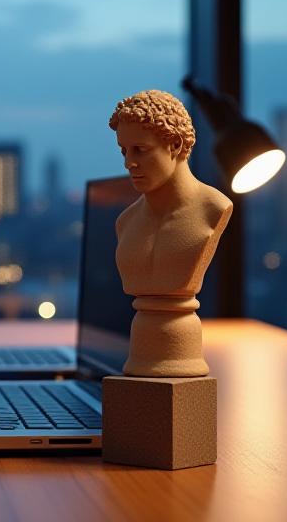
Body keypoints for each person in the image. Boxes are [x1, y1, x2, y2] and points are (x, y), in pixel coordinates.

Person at [108, 89, 232, 377]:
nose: (129, 163)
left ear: (174, 145)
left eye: (140, 149)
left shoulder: (214, 209)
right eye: (124, 151)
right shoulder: (126, 222)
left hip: (182, 360)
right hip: (139, 363)